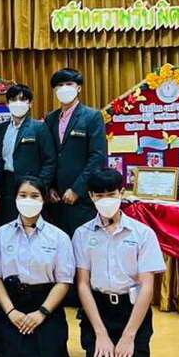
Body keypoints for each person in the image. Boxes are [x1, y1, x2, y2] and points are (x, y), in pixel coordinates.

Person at [73, 168, 166, 357]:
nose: (106, 200)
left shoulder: (142, 234)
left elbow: (147, 286)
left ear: (121, 193)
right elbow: (83, 284)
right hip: (98, 310)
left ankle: (131, 351)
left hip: (131, 310)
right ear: (91, 196)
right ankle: (101, 346)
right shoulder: (82, 234)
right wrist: (100, 333)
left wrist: (128, 336)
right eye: (100, 195)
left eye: (111, 194)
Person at [0, 175, 76, 357]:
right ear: (15, 198)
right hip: (11, 304)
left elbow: (64, 281)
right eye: (23, 195)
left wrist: (41, 313)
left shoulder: (59, 237)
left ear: (44, 199)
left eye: (34, 196)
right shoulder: (0, 235)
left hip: (45, 305)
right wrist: (11, 312)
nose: (28, 200)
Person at [44, 68, 107, 236]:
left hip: (81, 198)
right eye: (59, 85)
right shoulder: (50, 118)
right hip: (55, 199)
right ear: (55, 90)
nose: (64, 88)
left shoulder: (92, 116)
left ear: (78, 88)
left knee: (82, 243)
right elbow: (48, 155)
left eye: (69, 84)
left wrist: (77, 189)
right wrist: (50, 187)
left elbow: (97, 157)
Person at [0, 84, 56, 227]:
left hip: (32, 184)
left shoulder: (39, 128)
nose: (18, 103)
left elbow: (50, 161)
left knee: (32, 225)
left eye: (22, 100)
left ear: (30, 104)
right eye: (13, 100)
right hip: (7, 185)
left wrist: (41, 186)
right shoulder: (0, 129)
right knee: (9, 225)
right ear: (7, 104)